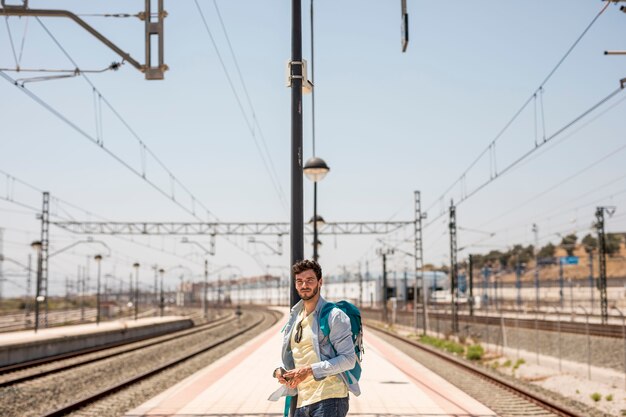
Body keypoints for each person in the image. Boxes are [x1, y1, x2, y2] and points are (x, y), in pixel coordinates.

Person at [269, 259, 360, 416]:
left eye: (310, 280)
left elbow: (348, 359)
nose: (304, 285)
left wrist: (309, 370)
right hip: (302, 400)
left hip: (330, 398)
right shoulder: (295, 316)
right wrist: (280, 371)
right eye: (300, 281)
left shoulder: (334, 316)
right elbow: (296, 354)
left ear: (320, 282)